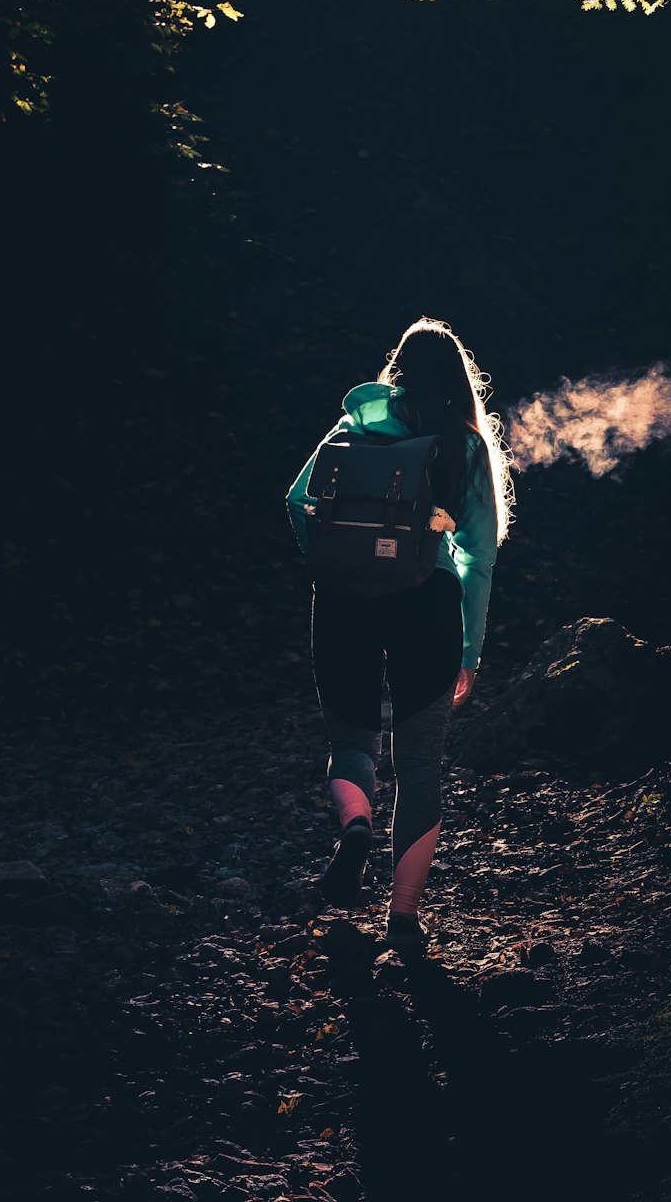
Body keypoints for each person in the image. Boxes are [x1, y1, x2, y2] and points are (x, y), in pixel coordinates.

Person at [285, 317, 515, 955]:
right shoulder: (463, 444)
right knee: (419, 765)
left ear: (398, 368)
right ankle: (404, 920)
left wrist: (332, 557)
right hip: (428, 606)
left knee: (350, 734)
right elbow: (479, 556)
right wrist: (470, 649)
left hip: (342, 601)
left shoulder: (353, 426)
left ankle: (355, 825)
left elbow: (295, 500)